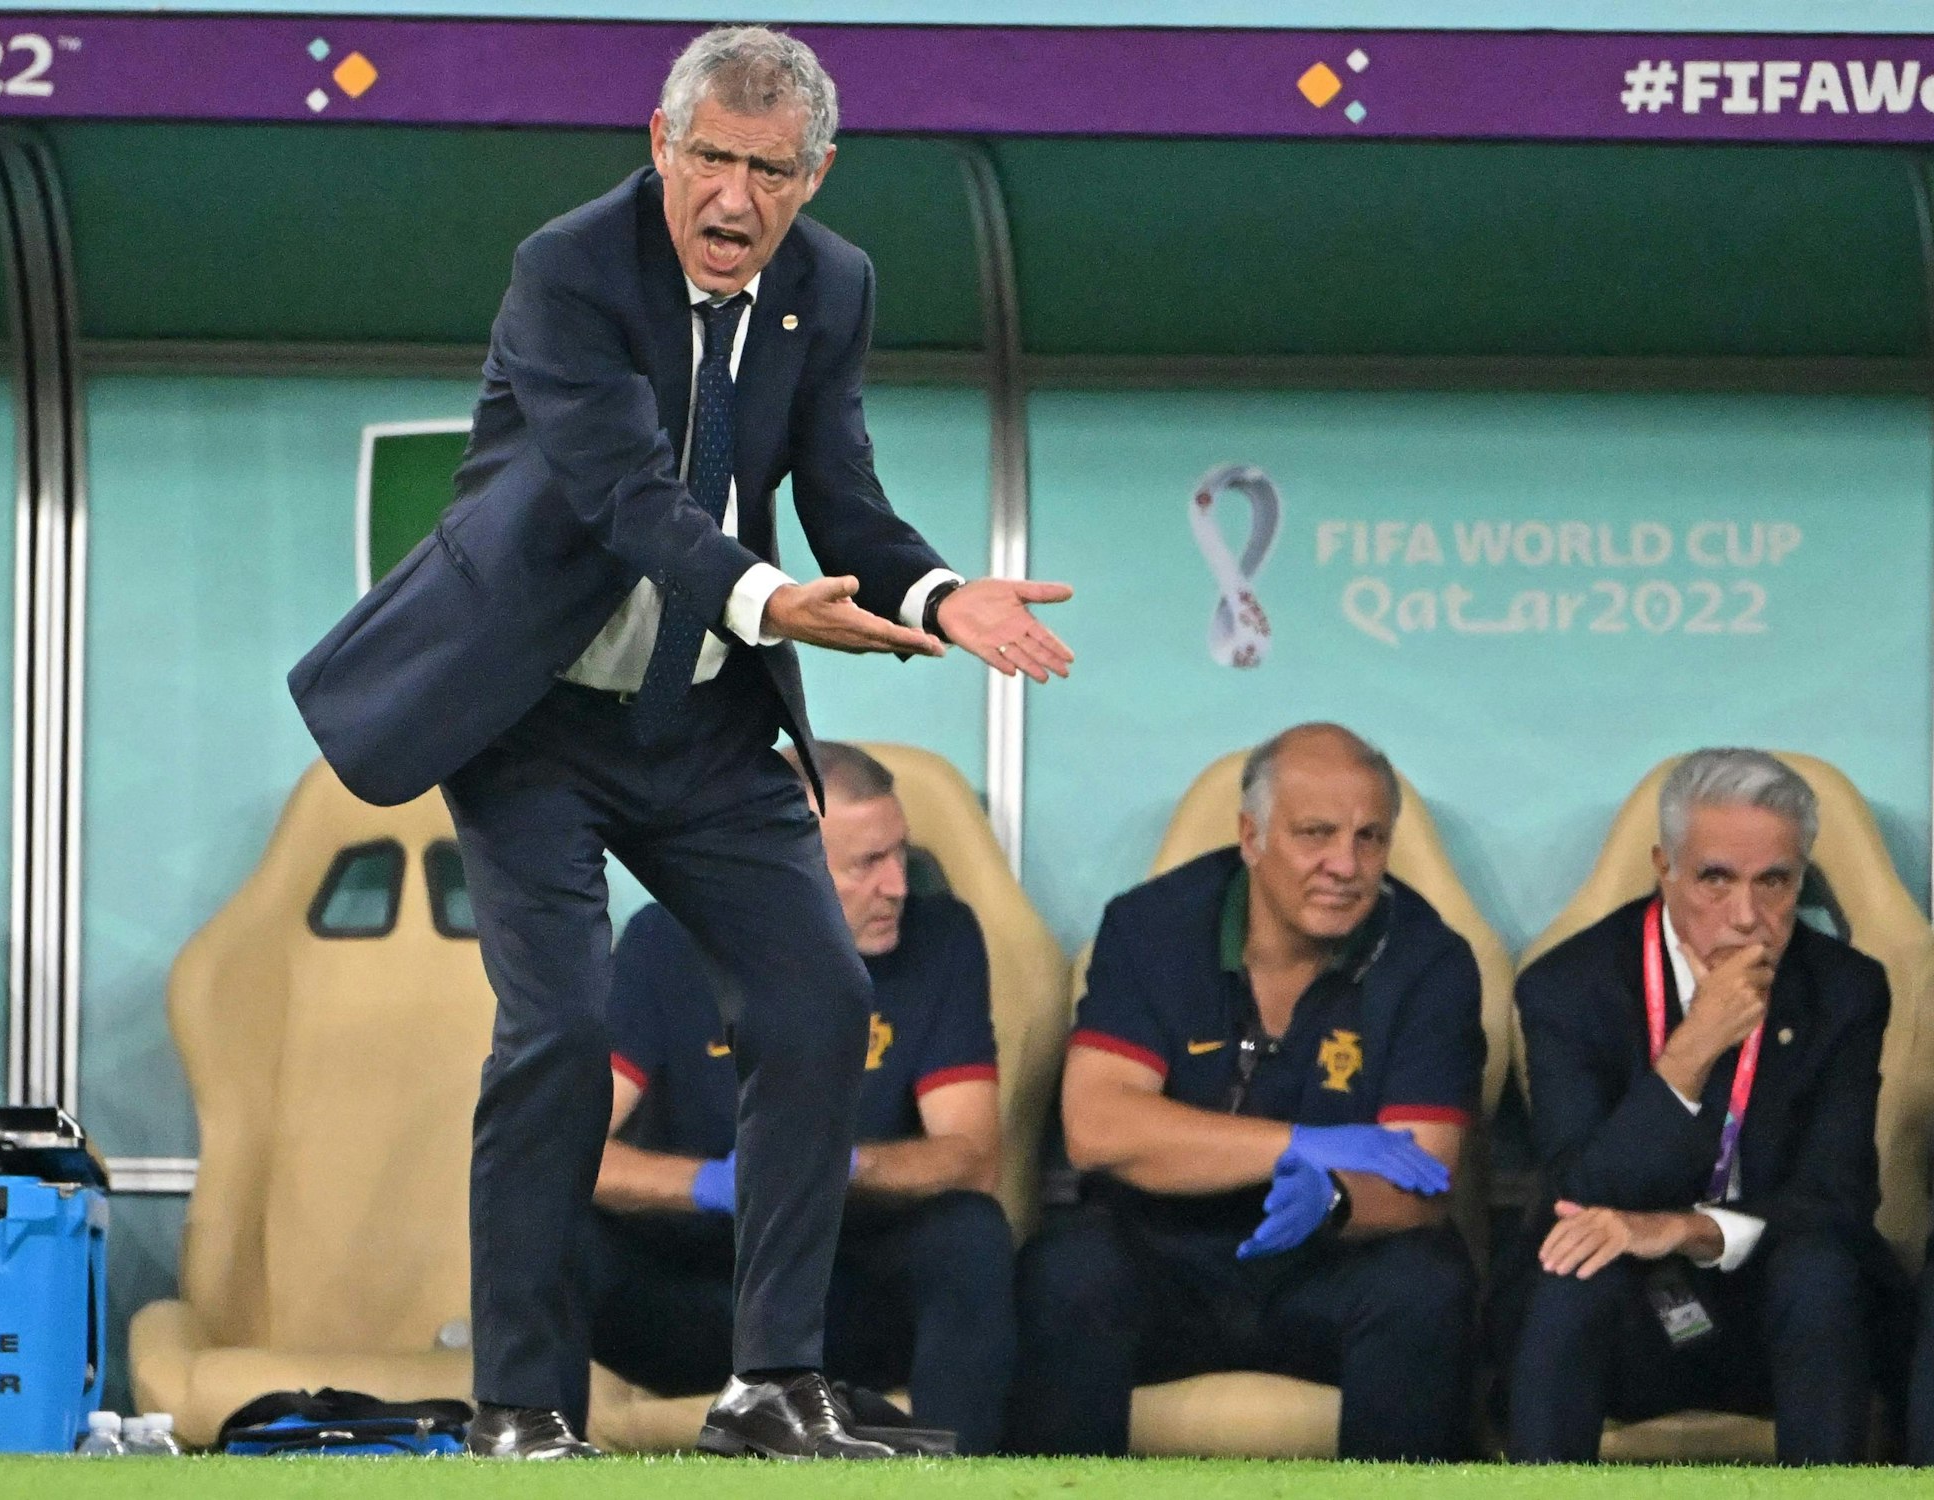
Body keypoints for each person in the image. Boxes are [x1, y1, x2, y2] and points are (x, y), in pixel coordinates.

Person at [287, 26, 1071, 1460]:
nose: (733, 196)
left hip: (702, 718)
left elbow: (843, 494)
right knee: (559, 1029)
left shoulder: (832, 286)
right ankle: (521, 1408)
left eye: (770, 171)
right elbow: (627, 496)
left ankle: (769, 1384)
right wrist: (774, 602)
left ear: (814, 175)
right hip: (531, 714)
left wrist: (939, 595)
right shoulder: (569, 269)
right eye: (710, 157)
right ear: (660, 143)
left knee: (819, 999)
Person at [1006, 723, 1484, 1460]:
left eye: (1369, 838)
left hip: (1334, 1263)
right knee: (1066, 1272)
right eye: (1316, 834)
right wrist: (1301, 1146)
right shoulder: (1151, 928)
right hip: (1164, 1254)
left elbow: (1422, 1177)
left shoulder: (1430, 960)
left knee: (1426, 1287)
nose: (1345, 865)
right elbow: (1098, 1126)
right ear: (1251, 837)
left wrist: (1333, 1199)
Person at [579, 742, 1015, 1454]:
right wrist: (713, 1184)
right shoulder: (665, 944)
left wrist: (842, 1168)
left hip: (846, 1292)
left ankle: (958, 1482)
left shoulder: (940, 940)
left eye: (901, 854)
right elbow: (570, 1149)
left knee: (970, 1235)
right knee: (559, 1234)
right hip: (708, 1296)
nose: (898, 886)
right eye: (867, 864)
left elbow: (972, 1157)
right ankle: (534, 1459)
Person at [1507, 749, 1891, 1463]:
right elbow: (1577, 1191)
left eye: (1773, 881)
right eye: (1716, 878)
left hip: (1777, 1305)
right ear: (1666, 868)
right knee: (1572, 1271)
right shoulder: (1569, 985)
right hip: (1629, 1311)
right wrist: (1693, 1050)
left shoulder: (1845, 990)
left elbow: (1838, 1198)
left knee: (1822, 1274)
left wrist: (1683, 1229)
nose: (1747, 917)